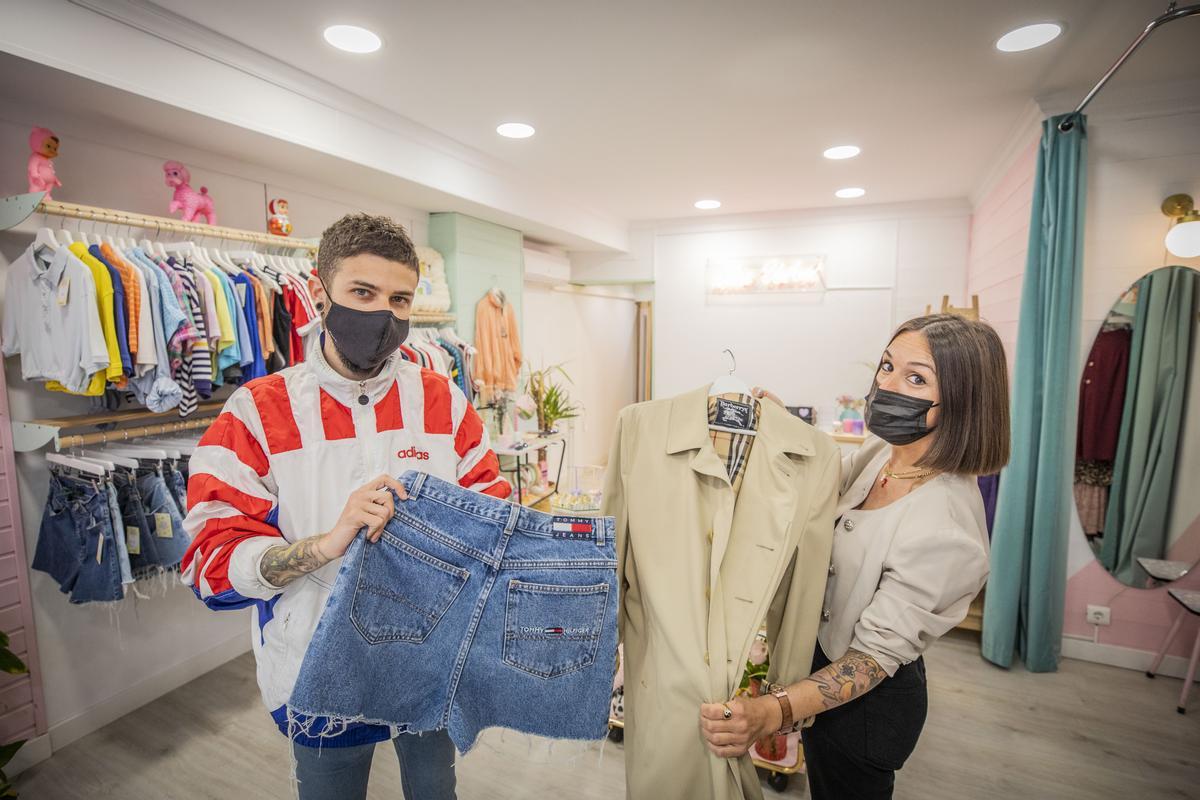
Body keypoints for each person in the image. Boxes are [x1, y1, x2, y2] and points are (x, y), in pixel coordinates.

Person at [180, 213, 510, 800]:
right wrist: (328, 543)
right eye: (362, 293)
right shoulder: (258, 411)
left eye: (400, 299)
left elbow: (493, 509)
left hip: (429, 662)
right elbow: (210, 562)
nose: (383, 315)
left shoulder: (442, 401)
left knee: (436, 789)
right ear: (318, 294)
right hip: (320, 667)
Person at [699, 313, 1010, 799]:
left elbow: (869, 662)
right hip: (822, 660)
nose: (887, 384)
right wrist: (782, 428)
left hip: (868, 705)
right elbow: (825, 484)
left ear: (963, 402)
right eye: (887, 366)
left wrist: (771, 711)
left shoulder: (946, 527)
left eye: (916, 378)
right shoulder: (884, 452)